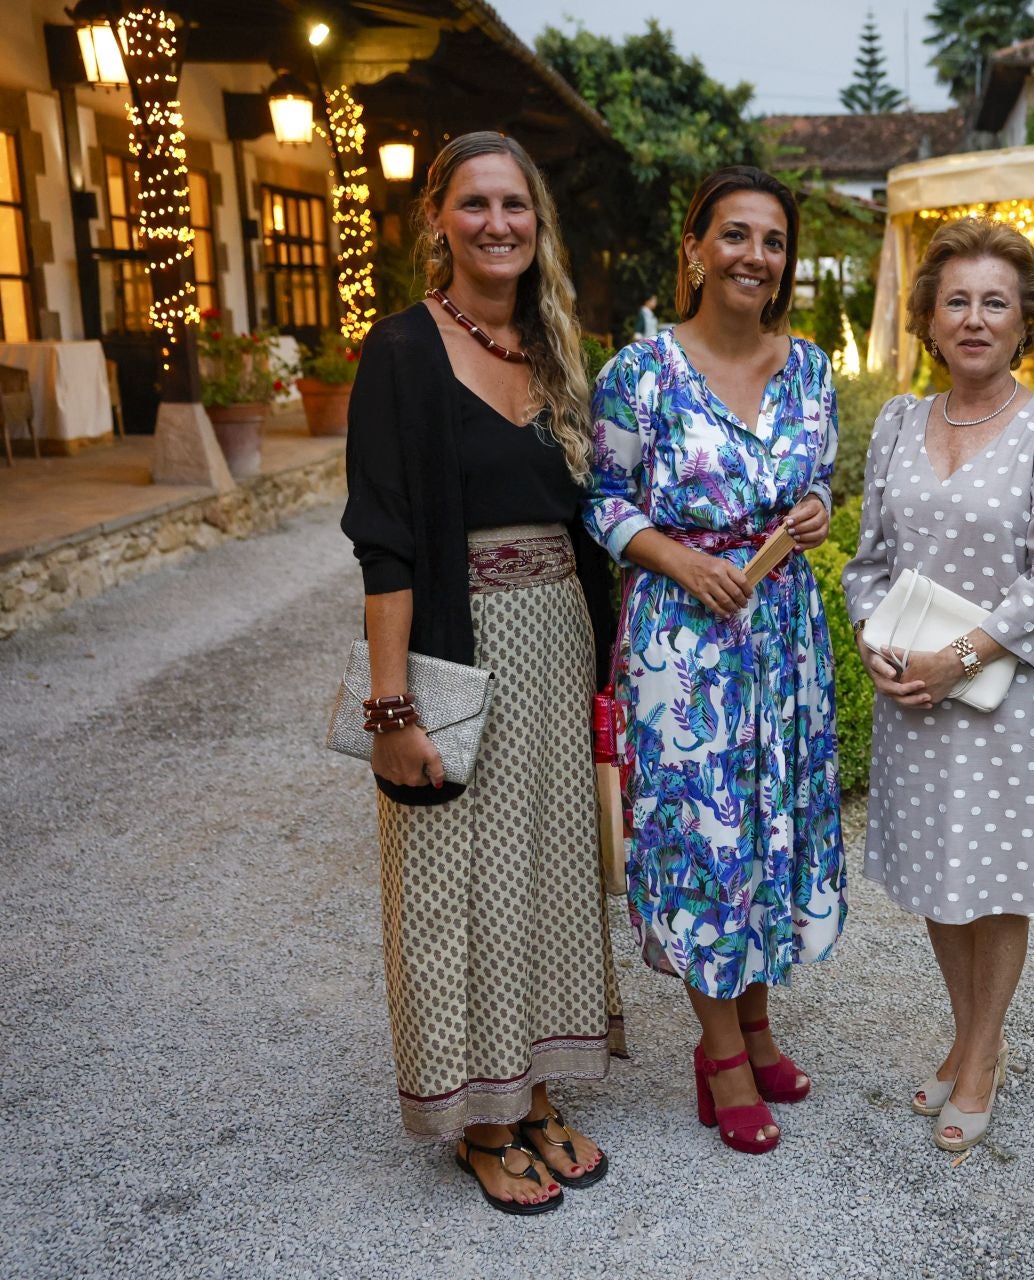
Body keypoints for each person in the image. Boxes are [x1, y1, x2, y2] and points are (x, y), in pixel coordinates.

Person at [340, 132, 626, 1215]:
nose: (498, 223)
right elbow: (386, 541)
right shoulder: (403, 351)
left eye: (516, 204)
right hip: (458, 647)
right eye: (476, 204)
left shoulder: (557, 348)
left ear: (536, 223)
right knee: (454, 882)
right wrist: (392, 703)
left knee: (551, 871)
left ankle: (538, 1085)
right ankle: (482, 1115)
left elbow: (589, 518)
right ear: (438, 220)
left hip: (555, 637)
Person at [585, 166, 843, 1157]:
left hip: (781, 632)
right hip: (683, 643)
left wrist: (815, 508)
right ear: (694, 247)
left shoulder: (812, 367)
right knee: (705, 842)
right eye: (734, 235)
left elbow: (813, 478)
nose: (754, 257)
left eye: (772, 241)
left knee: (772, 828)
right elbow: (604, 498)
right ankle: (720, 1055)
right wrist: (681, 560)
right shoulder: (640, 372)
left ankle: (760, 1024)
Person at [842, 218, 1034, 1152]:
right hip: (912, 694)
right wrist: (874, 639)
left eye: (996, 301)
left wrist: (964, 657)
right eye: (958, 300)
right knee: (933, 875)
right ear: (931, 319)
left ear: (1026, 318)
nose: (976, 317)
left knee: (994, 881)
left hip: (1002, 701)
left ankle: (983, 1054)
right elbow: (870, 560)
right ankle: (967, 1033)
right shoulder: (902, 425)